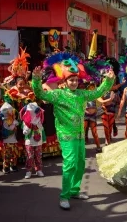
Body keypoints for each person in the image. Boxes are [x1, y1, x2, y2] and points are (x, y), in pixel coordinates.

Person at [31, 52, 114, 210]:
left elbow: (97, 93)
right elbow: (40, 93)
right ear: (65, 80)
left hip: (80, 135)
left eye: (76, 79)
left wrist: (108, 80)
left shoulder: (81, 94)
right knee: (69, 164)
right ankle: (64, 195)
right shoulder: (58, 95)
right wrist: (36, 79)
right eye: (71, 79)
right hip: (66, 135)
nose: (74, 82)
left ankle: (74, 190)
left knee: (80, 164)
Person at [20, 102, 45, 179]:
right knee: (29, 156)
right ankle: (28, 171)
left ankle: (39, 170)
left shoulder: (39, 119)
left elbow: (42, 129)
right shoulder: (26, 121)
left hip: (38, 141)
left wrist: (38, 124)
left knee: (38, 156)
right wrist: (28, 127)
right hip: (29, 142)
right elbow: (24, 132)